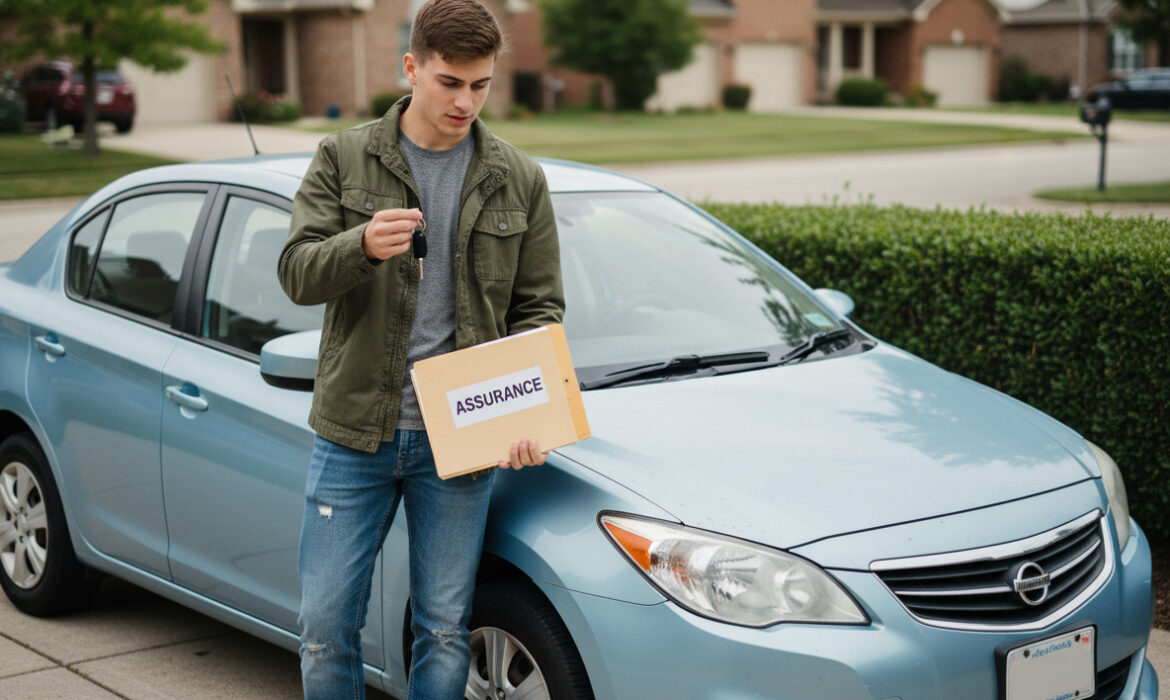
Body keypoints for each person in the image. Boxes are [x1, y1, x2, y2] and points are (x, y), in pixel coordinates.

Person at [276, 0, 564, 697]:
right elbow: (295, 273)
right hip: (353, 435)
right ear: (411, 69)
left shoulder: (519, 177)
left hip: (459, 438)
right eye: (449, 82)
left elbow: (540, 311)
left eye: (481, 84)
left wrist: (528, 415)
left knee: (442, 628)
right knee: (323, 625)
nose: (466, 100)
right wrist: (361, 247)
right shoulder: (344, 156)